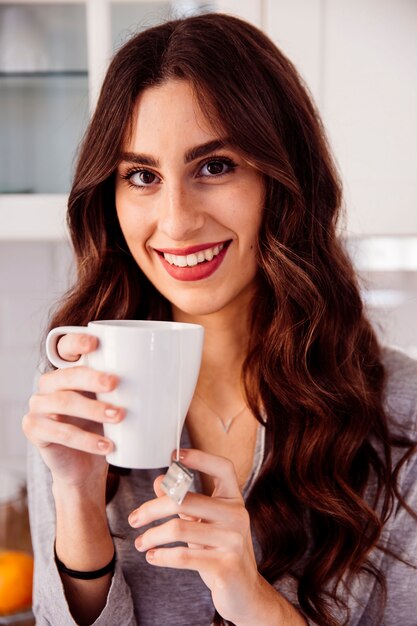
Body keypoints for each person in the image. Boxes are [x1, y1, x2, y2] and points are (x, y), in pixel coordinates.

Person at [22, 12, 417, 626]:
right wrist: (75, 499)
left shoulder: (404, 415)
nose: (176, 221)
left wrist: (255, 601)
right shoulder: (79, 391)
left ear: (282, 183)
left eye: (215, 166)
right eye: (143, 176)